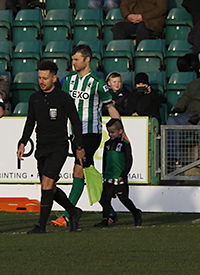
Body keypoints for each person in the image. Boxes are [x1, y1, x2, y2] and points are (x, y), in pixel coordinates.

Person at [50, 45, 121, 228]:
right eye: (72, 59)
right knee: (88, 175)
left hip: (91, 134)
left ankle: (68, 215)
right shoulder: (69, 81)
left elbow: (110, 108)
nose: (73, 63)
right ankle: (109, 211)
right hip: (75, 134)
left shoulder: (97, 83)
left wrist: (123, 133)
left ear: (87, 60)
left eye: (76, 59)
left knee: (78, 170)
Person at [17, 61, 84, 234]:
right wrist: (23, 141)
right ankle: (74, 212)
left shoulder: (63, 98)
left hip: (59, 147)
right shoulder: (35, 98)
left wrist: (79, 145)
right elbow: (30, 122)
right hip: (42, 147)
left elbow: (76, 122)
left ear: (54, 78)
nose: (42, 81)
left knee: (47, 184)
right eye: (39, 77)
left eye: (45, 78)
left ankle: (41, 226)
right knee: (49, 188)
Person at [94, 119, 143, 227]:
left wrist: (123, 175)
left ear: (120, 131)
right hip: (108, 177)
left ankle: (136, 213)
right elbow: (105, 160)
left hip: (120, 178)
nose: (110, 134)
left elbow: (129, 161)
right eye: (109, 132)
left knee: (124, 199)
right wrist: (104, 174)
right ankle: (105, 219)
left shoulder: (125, 144)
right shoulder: (107, 144)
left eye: (112, 132)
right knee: (105, 199)